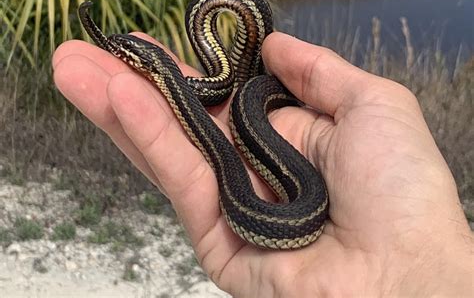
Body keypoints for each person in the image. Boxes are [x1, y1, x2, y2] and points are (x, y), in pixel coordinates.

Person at [53, 31, 472, 298]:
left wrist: (418, 263)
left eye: (125, 52)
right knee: (216, 152)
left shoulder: (178, 84)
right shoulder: (175, 86)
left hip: (293, 215)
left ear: (145, 64)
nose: (123, 53)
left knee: (226, 157)